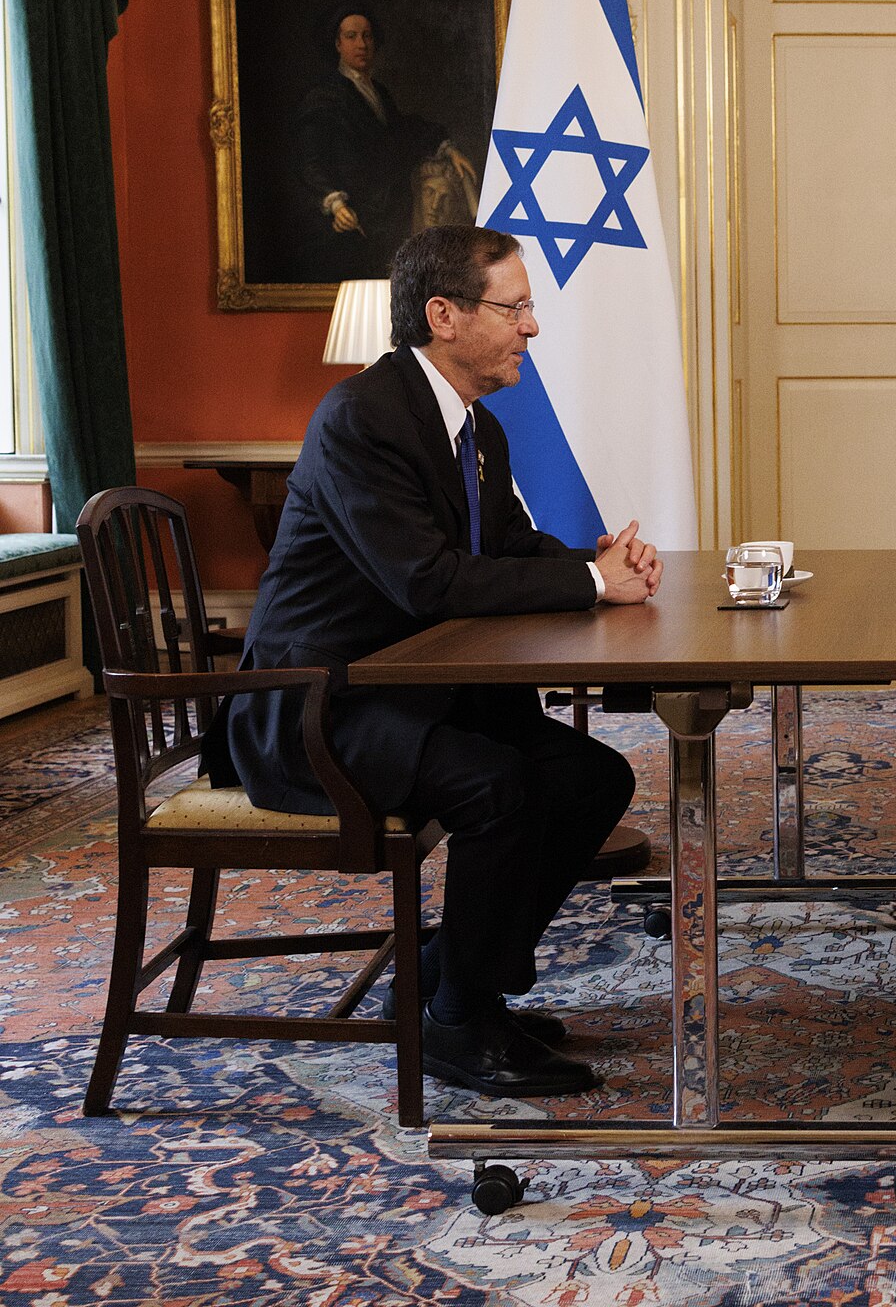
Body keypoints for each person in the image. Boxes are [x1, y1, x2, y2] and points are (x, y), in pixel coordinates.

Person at [220, 224, 663, 1098]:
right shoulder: (361, 418)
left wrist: (596, 558)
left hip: (414, 688)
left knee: (589, 777)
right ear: (444, 317)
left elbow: (502, 543)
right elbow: (426, 581)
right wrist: (585, 581)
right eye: (518, 307)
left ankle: (447, 973)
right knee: (497, 786)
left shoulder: (476, 427)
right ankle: (460, 1019)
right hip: (319, 705)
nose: (533, 327)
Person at [291, 7, 478, 277]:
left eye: (367, 36)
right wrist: (336, 204)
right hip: (353, 222)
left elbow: (401, 131)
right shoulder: (324, 97)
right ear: (337, 44)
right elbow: (310, 161)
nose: (362, 44)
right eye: (352, 36)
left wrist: (446, 147)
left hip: (387, 215)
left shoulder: (377, 91)